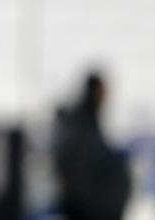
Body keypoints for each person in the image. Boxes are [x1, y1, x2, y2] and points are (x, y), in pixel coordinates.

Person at [53, 71, 130, 220]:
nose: (106, 96)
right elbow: (78, 166)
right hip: (85, 208)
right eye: (103, 90)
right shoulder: (80, 123)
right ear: (95, 91)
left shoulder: (87, 120)